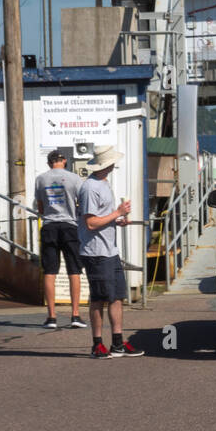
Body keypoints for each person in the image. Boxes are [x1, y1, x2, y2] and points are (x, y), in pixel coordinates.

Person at [77, 145, 142, 359]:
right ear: (108, 163)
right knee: (99, 297)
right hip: (96, 252)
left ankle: (117, 342)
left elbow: (102, 218)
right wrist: (117, 213)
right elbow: (91, 223)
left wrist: (118, 219)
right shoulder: (90, 188)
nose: (115, 164)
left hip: (109, 249)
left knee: (116, 296)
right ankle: (97, 344)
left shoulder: (104, 183)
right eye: (113, 161)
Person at [34, 150, 86, 329]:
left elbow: (40, 207)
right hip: (70, 226)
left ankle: (51, 317)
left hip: (49, 226)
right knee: (74, 270)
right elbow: (82, 203)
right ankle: (76, 315)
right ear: (64, 161)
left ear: (49, 163)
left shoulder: (40, 179)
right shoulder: (74, 178)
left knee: (50, 271)